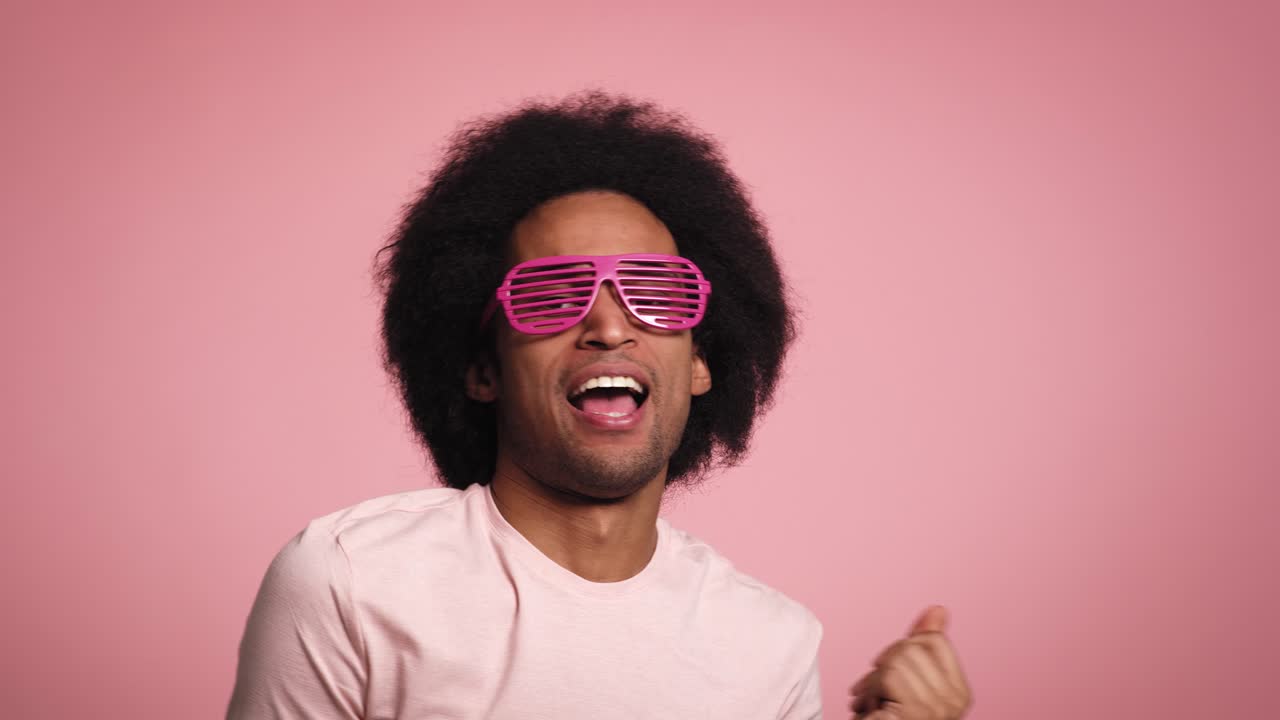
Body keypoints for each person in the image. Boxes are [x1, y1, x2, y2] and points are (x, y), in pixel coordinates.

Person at [226, 92, 973, 719]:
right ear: (483, 370)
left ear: (702, 363)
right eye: (553, 295)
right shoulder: (352, 583)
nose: (611, 327)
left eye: (657, 293)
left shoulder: (770, 646)